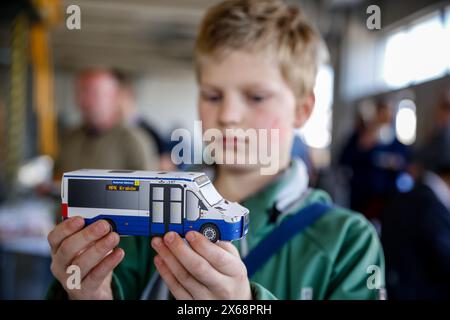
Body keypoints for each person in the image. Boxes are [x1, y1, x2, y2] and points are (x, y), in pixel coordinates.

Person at [46, 0, 384, 300]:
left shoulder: (347, 244)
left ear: (303, 109)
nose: (227, 115)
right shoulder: (146, 219)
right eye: (212, 95)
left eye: (256, 97)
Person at [54, 68, 159, 177]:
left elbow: (147, 188)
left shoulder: (133, 140)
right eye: (80, 92)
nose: (84, 100)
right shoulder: (68, 137)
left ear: (114, 97)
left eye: (93, 92)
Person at [339, 101, 410, 221]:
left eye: (387, 116)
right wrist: (362, 146)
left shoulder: (395, 142)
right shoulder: (359, 137)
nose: (384, 119)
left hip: (387, 197)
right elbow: (343, 160)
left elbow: (405, 164)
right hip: (361, 195)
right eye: (381, 115)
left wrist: (396, 163)